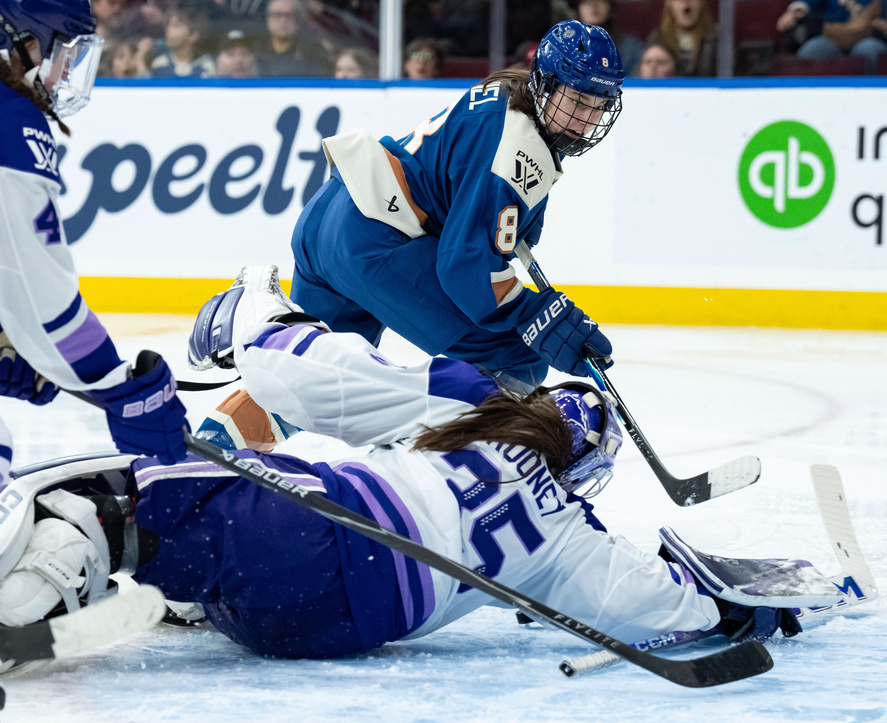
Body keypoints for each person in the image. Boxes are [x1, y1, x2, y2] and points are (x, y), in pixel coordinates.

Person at [0, 267, 804, 659]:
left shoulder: (480, 406)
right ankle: (183, 589)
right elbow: (661, 606)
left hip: (318, 540)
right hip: (325, 631)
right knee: (211, 537)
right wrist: (750, 611)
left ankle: (27, 600)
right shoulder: (570, 538)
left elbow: (341, 381)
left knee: (116, 495)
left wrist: (259, 322)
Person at [288, 20, 620, 393]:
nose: (587, 117)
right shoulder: (520, 153)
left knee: (303, 377)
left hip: (330, 213)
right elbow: (464, 266)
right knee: (518, 355)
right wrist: (534, 315)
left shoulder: (506, 92)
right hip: (372, 238)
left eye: (599, 104)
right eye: (577, 99)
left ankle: (219, 444)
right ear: (545, 84)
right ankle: (461, 451)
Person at [0, 0, 190, 488]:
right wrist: (118, 385)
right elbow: (43, 298)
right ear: (25, 43)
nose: (68, 71)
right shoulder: (11, 120)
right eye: (66, 50)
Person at [777, 0, 887, 72]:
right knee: (813, 50)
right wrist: (796, 11)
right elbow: (806, 3)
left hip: (868, 38)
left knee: (871, 50)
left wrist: (885, 23)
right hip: (831, 38)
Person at [256, 0, 333, 77]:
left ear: (298, 19)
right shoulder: (255, 48)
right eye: (277, 15)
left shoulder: (314, 52)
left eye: (288, 15)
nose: (283, 21)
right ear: (268, 19)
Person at [647, 0, 719, 78]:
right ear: (669, 5)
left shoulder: (717, 39)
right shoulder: (658, 39)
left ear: (702, 4)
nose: (686, 2)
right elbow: (641, 73)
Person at [574, 0, 644, 76]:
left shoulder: (630, 46)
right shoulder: (568, 43)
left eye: (600, 2)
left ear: (610, 7)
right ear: (578, 8)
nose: (594, 7)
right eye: (587, 3)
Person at [149, 5, 216, 78]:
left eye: (175, 26)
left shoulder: (206, 66)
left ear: (193, 35)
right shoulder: (160, 65)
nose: (168, 30)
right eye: (168, 25)